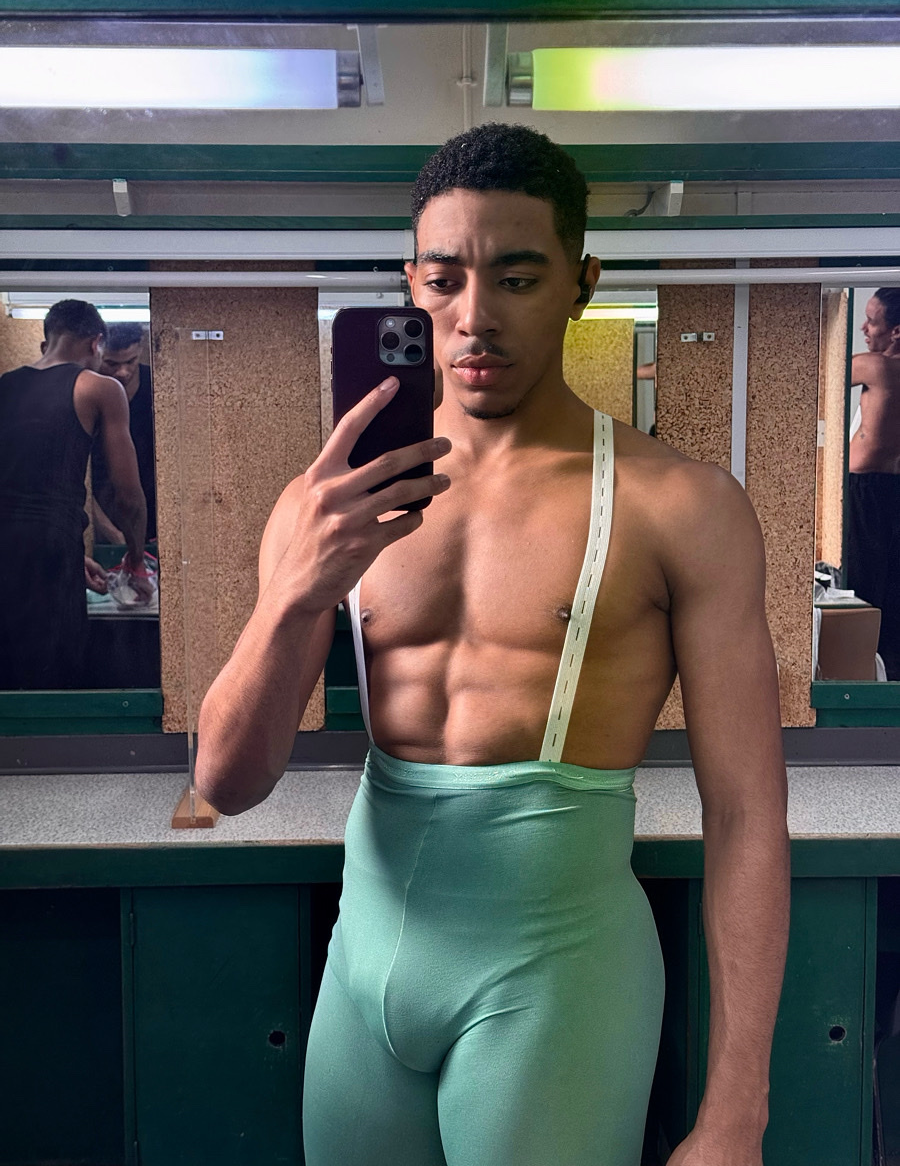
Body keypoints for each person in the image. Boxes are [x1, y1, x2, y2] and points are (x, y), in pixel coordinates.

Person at [196, 124, 790, 1166]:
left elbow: (746, 813)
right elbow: (226, 783)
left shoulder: (680, 506)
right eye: (444, 280)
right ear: (412, 286)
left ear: (581, 285)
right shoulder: (327, 507)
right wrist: (294, 596)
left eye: (517, 278)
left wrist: (738, 1110)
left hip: (557, 974)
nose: (475, 316)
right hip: (364, 970)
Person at [0, 299, 150, 689]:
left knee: (9, 679)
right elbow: (128, 495)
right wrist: (135, 559)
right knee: (54, 680)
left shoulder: (5, 386)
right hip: (51, 552)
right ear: (96, 343)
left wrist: (76, 557)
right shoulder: (100, 388)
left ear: (48, 340)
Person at [846, 288, 900, 678]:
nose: (864, 329)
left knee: (862, 587)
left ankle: (863, 674)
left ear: (896, 331)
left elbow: (809, 368)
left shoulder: (876, 367)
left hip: (866, 490)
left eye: (872, 321)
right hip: (892, 489)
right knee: (892, 587)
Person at [91, 321, 157, 546]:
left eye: (130, 361)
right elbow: (77, 477)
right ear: (96, 351)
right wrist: (109, 531)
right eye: (111, 363)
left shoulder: (158, 385)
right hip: (102, 517)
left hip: (156, 514)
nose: (123, 372)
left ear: (140, 349)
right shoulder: (87, 392)